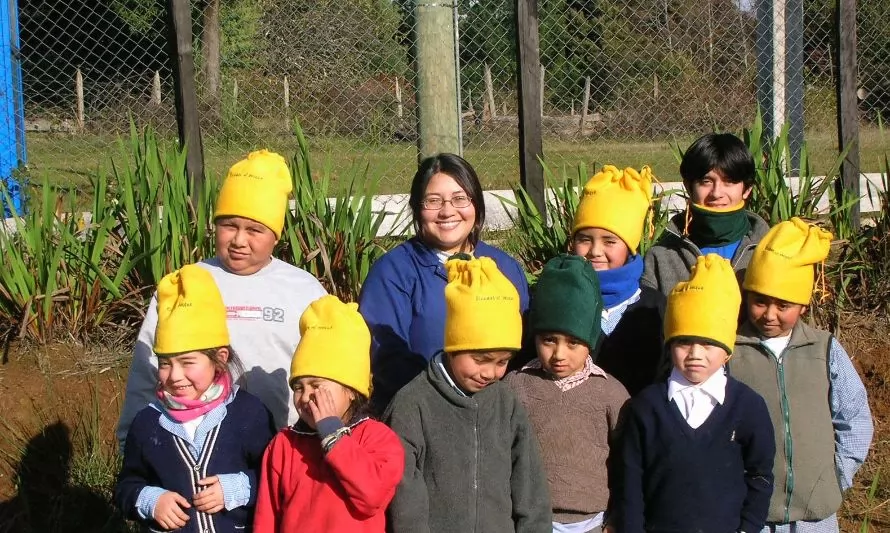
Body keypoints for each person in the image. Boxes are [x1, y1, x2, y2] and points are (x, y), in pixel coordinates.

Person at [117, 150, 327, 447]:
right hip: (196, 445)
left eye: (254, 230)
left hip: (285, 444)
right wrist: (131, 442)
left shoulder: (302, 290)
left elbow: (328, 372)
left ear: (276, 236)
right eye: (229, 225)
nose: (239, 240)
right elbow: (148, 368)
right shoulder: (186, 283)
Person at [385, 256, 551, 533]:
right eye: (480, 358)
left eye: (502, 362)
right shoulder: (412, 403)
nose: (490, 373)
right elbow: (405, 497)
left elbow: (530, 486)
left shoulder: (505, 403)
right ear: (453, 347)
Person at [728, 218, 873, 532]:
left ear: (804, 305)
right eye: (760, 301)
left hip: (816, 516)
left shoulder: (824, 350)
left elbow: (854, 417)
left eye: (783, 305)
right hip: (751, 516)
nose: (769, 314)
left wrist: (835, 477)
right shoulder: (730, 353)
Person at [612, 254, 775, 533]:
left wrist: (748, 528)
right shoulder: (646, 408)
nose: (695, 355)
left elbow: (760, 475)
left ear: (726, 351)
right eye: (684, 342)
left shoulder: (748, 407)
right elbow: (630, 480)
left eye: (708, 344)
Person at [359, 153, 529, 411]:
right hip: (421, 412)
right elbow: (388, 360)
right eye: (433, 201)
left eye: (460, 198)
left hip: (495, 411)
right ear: (417, 207)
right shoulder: (393, 272)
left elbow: (525, 346)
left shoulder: (504, 267)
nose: (447, 211)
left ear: (476, 204)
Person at [115, 265, 276, 533]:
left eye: (187, 362)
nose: (175, 376)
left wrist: (237, 487)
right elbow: (126, 486)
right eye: (165, 363)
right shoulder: (147, 423)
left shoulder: (249, 414)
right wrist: (150, 500)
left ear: (220, 359)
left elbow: (277, 477)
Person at [253, 295, 404, 532]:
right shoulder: (284, 444)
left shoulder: (378, 437)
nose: (305, 397)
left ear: (352, 391)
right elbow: (267, 517)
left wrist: (334, 438)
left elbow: (372, 497)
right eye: (298, 387)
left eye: (316, 385)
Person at [505, 254, 629, 533]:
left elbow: (627, 462)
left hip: (594, 523)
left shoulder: (611, 393)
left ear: (591, 340)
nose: (559, 354)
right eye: (549, 340)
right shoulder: (516, 386)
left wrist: (617, 519)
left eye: (574, 342)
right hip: (530, 521)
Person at [570, 164, 666, 395]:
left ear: (630, 247)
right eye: (584, 239)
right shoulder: (561, 300)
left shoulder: (655, 307)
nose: (595, 251)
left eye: (609, 241)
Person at [642, 133, 770, 296]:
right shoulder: (661, 257)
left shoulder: (769, 250)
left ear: (747, 189)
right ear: (689, 187)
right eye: (706, 182)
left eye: (729, 181)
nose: (717, 193)